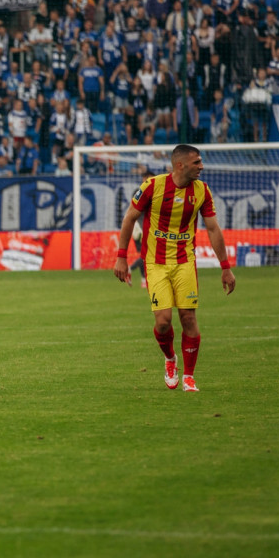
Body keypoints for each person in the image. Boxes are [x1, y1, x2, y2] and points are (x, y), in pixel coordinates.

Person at [113, 145, 236, 392]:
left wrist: (225, 267)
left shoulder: (202, 191)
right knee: (163, 322)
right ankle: (170, 358)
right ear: (180, 165)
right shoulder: (152, 186)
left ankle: (189, 376)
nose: (201, 166)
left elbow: (213, 228)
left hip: (184, 262)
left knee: (188, 317)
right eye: (197, 162)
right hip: (155, 263)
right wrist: (121, 257)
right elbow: (129, 218)